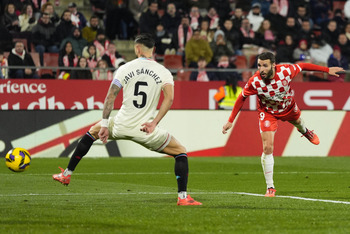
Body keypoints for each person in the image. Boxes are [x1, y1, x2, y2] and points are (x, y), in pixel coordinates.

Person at [52, 33, 202, 206]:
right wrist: (154, 123)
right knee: (180, 152)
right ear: (153, 50)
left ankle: (67, 174)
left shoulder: (124, 68)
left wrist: (105, 125)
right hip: (146, 130)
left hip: (120, 124)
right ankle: (183, 198)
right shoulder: (164, 72)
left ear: (137, 48)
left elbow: (110, 97)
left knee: (91, 133)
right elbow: (169, 99)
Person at [221, 52, 344, 197]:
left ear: (273, 65)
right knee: (267, 147)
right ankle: (270, 187)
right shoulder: (255, 81)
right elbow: (242, 97)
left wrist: (327, 70)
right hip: (268, 112)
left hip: (288, 107)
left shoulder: (285, 71)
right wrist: (230, 120)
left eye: (265, 66)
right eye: (259, 65)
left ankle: (305, 131)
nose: (261, 69)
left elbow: (303, 65)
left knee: (298, 122)